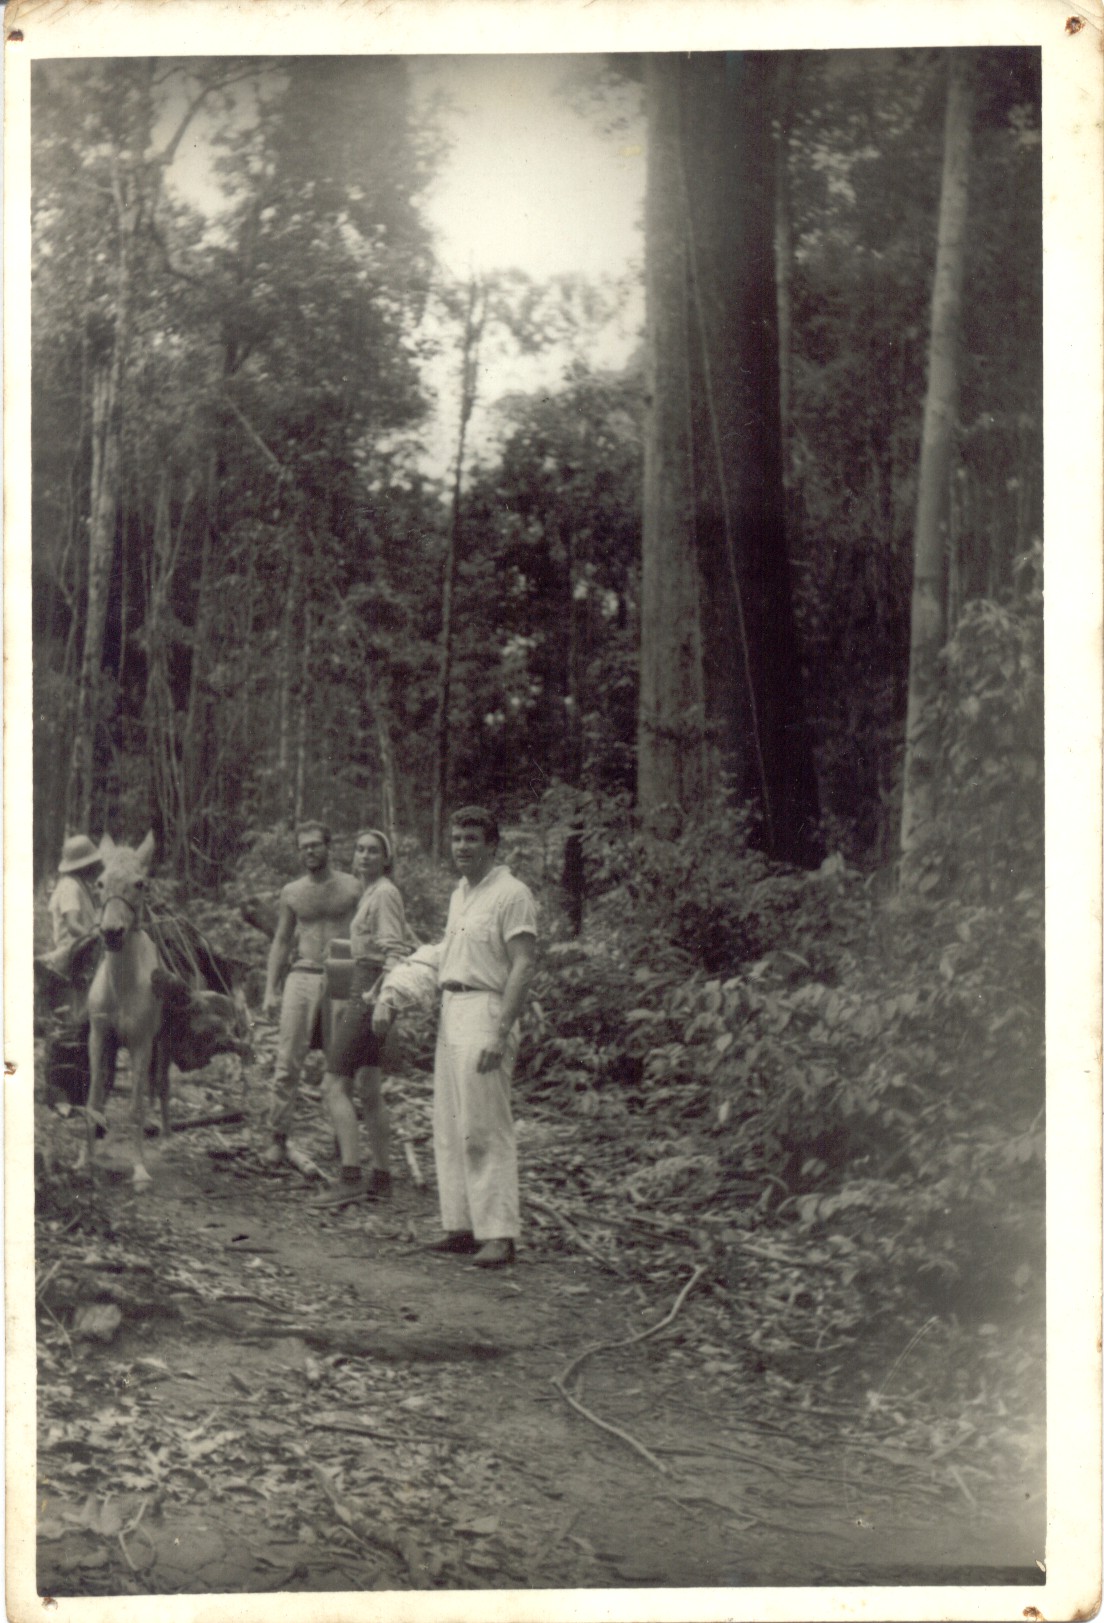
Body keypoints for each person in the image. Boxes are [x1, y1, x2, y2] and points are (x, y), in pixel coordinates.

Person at [373, 806, 537, 1268]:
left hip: (488, 1010)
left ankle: (499, 1234)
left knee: (484, 1125)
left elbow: (523, 963)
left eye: (471, 839)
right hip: (453, 1009)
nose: (461, 847)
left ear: (492, 845)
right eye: (456, 838)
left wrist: (501, 1033)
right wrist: (395, 991)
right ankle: (462, 1226)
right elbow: (446, 955)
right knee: (449, 1125)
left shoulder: (512, 894)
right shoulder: (460, 895)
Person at [315, 829, 411, 1209]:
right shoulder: (372, 892)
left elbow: (394, 951)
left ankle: (350, 1178)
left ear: (386, 859)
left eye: (373, 851)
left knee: (333, 1085)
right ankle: (382, 1179)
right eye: (360, 850)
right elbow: (373, 944)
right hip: (367, 983)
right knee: (369, 1087)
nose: (365, 856)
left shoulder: (384, 893)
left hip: (371, 990)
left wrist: (380, 1000)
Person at [260, 821, 362, 1168]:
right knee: (288, 1059)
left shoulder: (352, 886)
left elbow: (366, 931)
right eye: (303, 846)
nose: (309, 851)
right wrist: (270, 990)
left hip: (342, 971)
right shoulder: (292, 892)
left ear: (328, 846)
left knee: (341, 1060)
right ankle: (277, 1137)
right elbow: (282, 940)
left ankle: (342, 1139)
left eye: (315, 844)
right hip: (302, 973)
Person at [47, 835, 103, 959]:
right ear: (85, 866)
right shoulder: (69, 886)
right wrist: (97, 939)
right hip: (72, 951)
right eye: (94, 864)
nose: (97, 868)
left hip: (86, 947)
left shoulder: (81, 885)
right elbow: (72, 925)